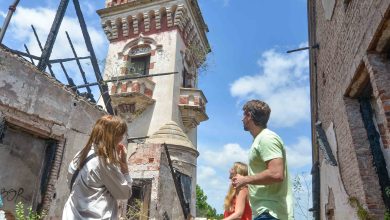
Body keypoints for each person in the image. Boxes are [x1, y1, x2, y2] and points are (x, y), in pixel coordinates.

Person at [62, 115, 133, 220]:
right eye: (121, 135)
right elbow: (125, 193)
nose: (122, 139)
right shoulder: (105, 163)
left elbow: (71, 183)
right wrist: (124, 166)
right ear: (113, 137)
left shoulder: (80, 155)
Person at [232, 100, 293, 220]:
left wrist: (245, 179)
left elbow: (276, 174)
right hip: (265, 212)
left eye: (244, 115)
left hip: (270, 212)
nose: (242, 119)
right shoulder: (259, 140)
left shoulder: (267, 138)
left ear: (249, 116)